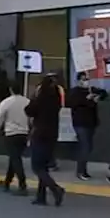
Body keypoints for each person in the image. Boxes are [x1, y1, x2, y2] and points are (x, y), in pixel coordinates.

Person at [27, 75, 66, 206]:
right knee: (44, 166)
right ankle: (41, 196)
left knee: (37, 166)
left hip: (40, 134)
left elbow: (29, 110)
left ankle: (55, 189)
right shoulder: (56, 100)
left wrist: (34, 97)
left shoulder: (41, 98)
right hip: (52, 135)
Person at [0, 82, 30, 195]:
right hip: (24, 134)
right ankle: (7, 182)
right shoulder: (27, 102)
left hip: (11, 134)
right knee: (14, 158)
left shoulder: (6, 103)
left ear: (10, 90)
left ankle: (22, 185)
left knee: (15, 159)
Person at [67, 72, 100, 181]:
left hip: (91, 122)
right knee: (85, 147)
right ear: (78, 81)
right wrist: (87, 99)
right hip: (80, 123)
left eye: (87, 79)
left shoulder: (91, 89)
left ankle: (83, 170)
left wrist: (96, 97)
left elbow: (103, 93)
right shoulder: (75, 92)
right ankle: (80, 171)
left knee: (88, 147)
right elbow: (72, 103)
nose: (86, 81)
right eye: (83, 79)